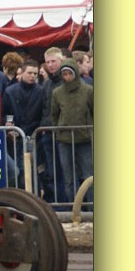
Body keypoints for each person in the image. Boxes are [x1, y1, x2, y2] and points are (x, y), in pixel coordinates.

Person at [51, 58, 94, 203]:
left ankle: (91, 208)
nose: (67, 77)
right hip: (64, 140)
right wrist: (58, 130)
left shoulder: (88, 90)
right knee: (69, 178)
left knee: (88, 176)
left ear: (75, 73)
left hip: (85, 139)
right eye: (64, 74)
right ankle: (73, 208)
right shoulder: (57, 92)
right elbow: (54, 114)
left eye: (70, 73)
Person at [2, 59, 43, 188]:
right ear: (22, 72)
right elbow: (4, 113)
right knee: (18, 171)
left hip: (34, 136)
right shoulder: (10, 91)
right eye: (30, 73)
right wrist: (9, 127)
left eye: (35, 74)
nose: (32, 76)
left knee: (33, 171)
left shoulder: (41, 91)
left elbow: (43, 115)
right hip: (14, 138)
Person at [38, 47, 67, 203]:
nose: (50, 65)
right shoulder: (47, 83)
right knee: (52, 171)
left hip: (63, 133)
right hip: (48, 132)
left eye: (53, 61)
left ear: (61, 60)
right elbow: (44, 108)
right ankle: (57, 202)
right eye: (47, 62)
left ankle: (65, 203)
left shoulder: (67, 81)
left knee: (64, 171)